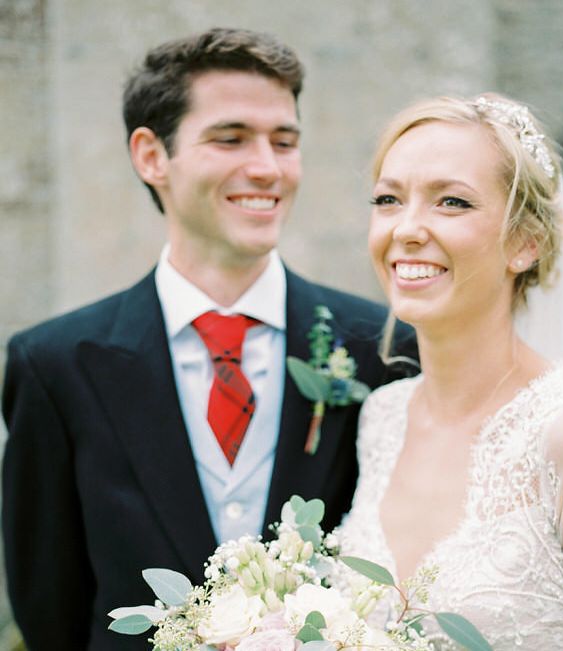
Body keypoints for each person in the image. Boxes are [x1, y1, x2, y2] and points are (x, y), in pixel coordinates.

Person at [1, 28, 414, 651]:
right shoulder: (54, 364)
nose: (267, 168)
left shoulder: (379, 347)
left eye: (285, 141)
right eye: (231, 138)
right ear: (151, 156)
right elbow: (49, 609)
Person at [337, 93, 563, 650]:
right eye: (388, 198)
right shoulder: (382, 419)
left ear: (525, 243)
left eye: (451, 202)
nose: (406, 228)